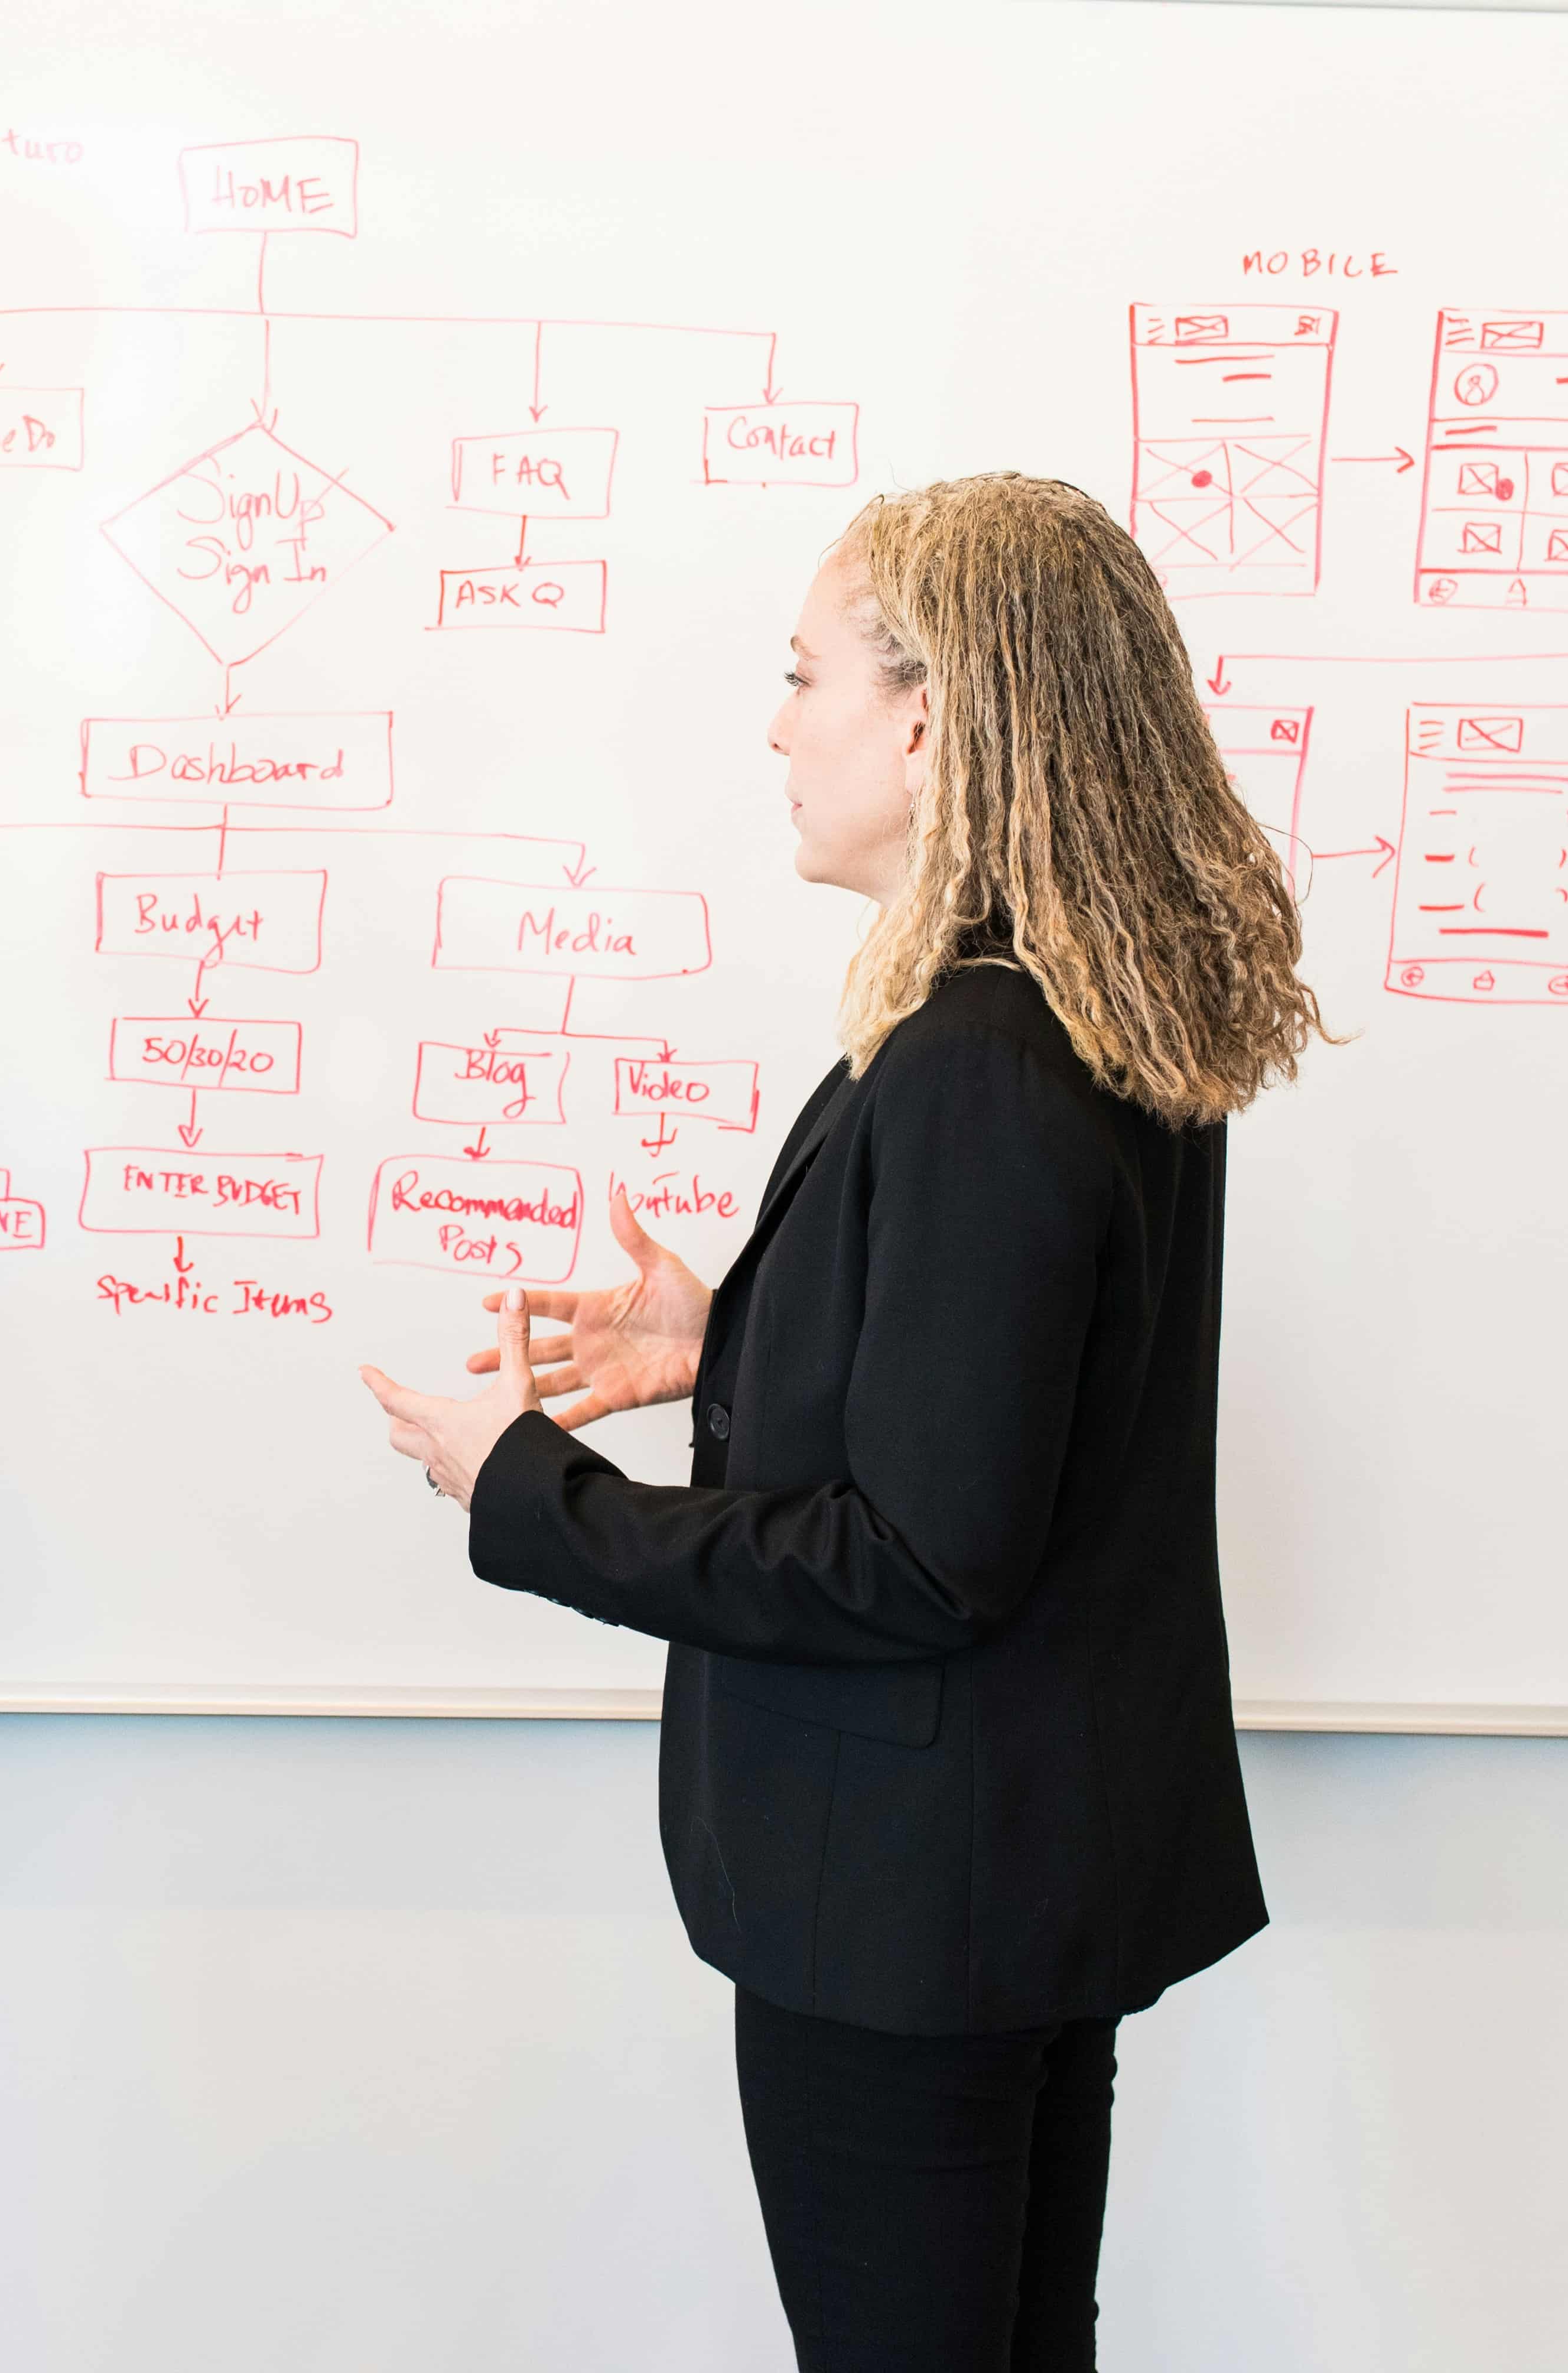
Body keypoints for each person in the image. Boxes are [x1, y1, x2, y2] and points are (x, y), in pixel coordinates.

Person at [360, 473, 1322, 2369]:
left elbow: (918, 1559)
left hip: (912, 1919)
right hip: (1007, 1888)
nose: (779, 725)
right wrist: (731, 1345)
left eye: (807, 677)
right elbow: (1013, 1416)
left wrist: (530, 1491)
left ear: (931, 718)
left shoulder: (976, 1057)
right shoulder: (1090, 1020)